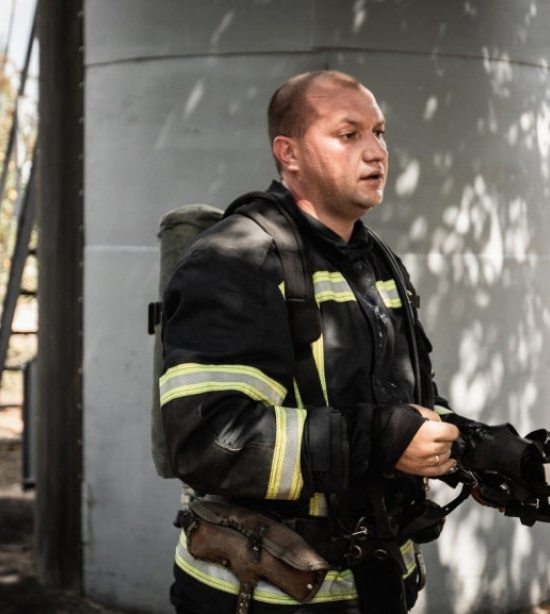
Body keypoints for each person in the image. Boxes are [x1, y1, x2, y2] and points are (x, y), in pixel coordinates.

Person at [159, 70, 481, 614]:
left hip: (377, 585)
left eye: (379, 133)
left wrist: (476, 445)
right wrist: (380, 438)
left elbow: (398, 400)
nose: (376, 152)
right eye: (348, 134)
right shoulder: (238, 259)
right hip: (261, 597)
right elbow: (211, 438)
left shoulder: (376, 260)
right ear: (289, 153)